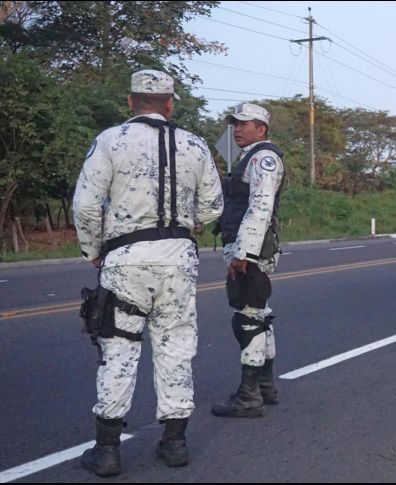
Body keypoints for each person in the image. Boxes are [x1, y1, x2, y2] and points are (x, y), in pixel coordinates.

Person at [73, 69, 223, 476]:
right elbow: (212, 207)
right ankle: (174, 443)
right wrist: (185, 226)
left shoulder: (111, 140)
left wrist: (93, 251)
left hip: (125, 258)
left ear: (130, 101)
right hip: (178, 257)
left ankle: (107, 451)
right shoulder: (194, 144)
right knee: (175, 346)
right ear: (171, 103)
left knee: (119, 350)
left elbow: (86, 206)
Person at [211, 103, 285, 418]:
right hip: (245, 247)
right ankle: (266, 386)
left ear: (262, 128)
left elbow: (260, 208)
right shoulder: (247, 156)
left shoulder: (264, 159)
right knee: (259, 313)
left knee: (248, 319)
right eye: (234, 124)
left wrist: (244, 253)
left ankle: (249, 395)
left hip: (252, 251)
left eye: (244, 124)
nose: (236, 129)